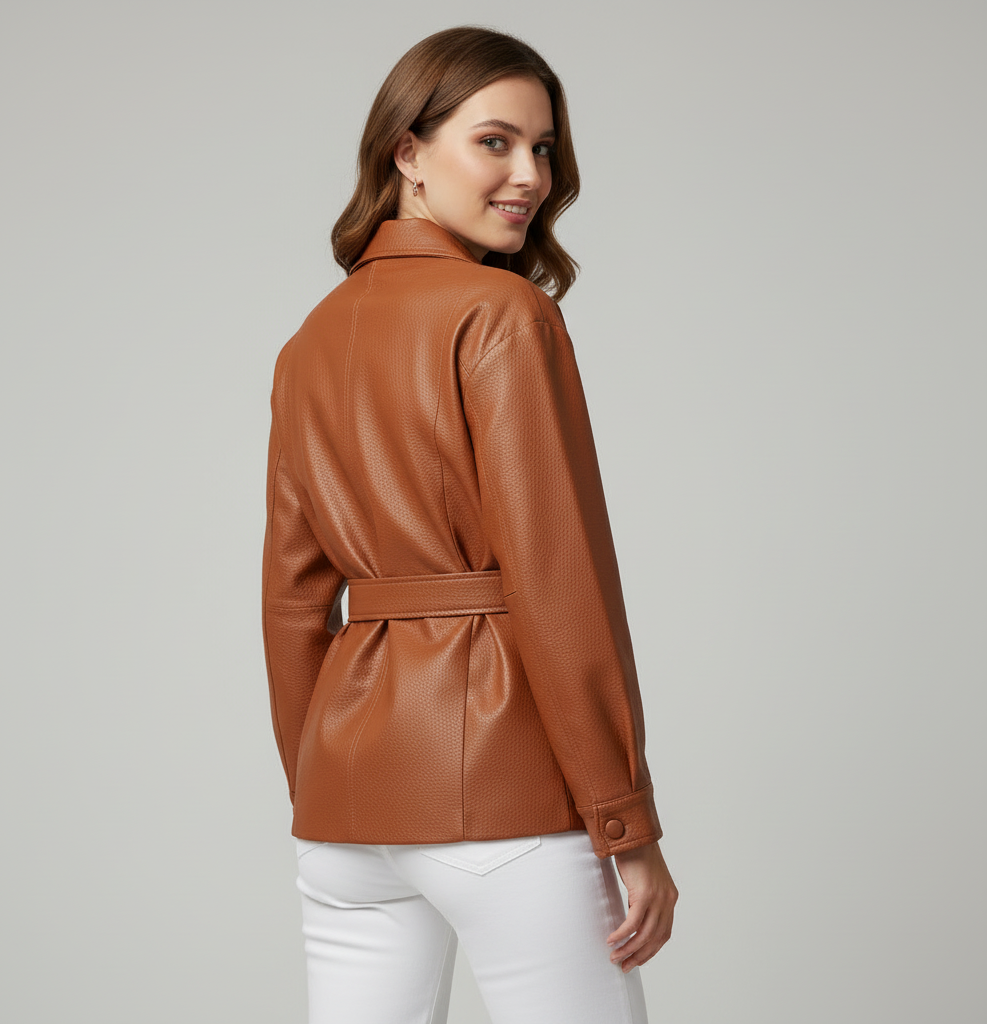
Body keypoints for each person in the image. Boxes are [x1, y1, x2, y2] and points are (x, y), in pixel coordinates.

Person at [262, 25, 677, 1024]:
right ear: (407, 152)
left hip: (345, 813)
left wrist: (322, 784)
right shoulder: (501, 313)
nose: (530, 174)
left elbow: (291, 603)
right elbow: (560, 583)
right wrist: (626, 823)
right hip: (503, 792)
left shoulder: (307, 342)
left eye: (543, 148)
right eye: (495, 142)